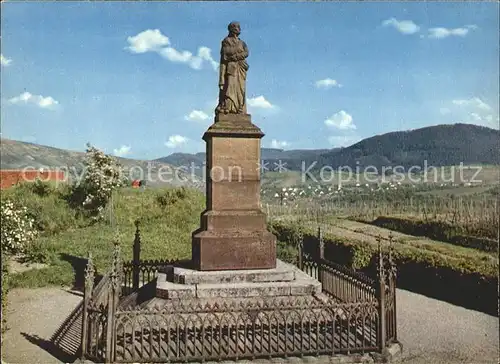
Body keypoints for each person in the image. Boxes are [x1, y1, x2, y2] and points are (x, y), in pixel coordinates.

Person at [215, 22, 249, 115]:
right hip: (231, 68)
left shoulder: (242, 43)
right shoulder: (226, 41)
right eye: (237, 27)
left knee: (241, 88)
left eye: (239, 27)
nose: (239, 29)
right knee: (230, 87)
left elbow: (246, 52)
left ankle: (239, 108)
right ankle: (229, 108)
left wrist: (236, 55)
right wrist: (238, 53)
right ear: (232, 29)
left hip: (241, 67)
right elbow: (226, 53)